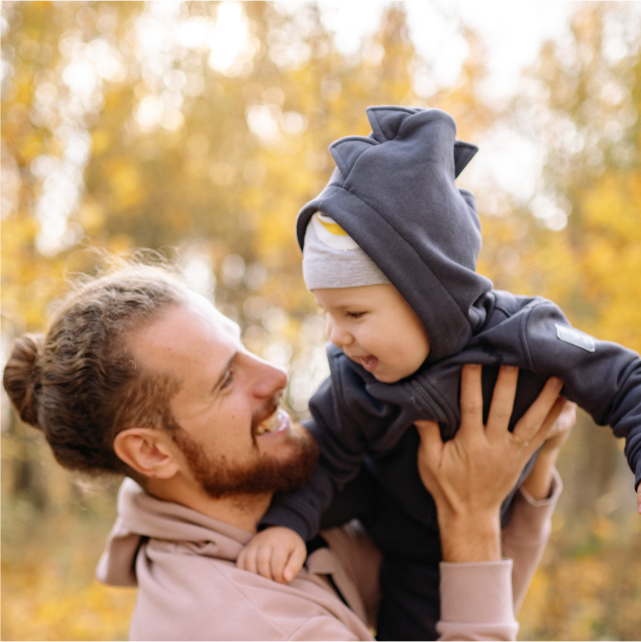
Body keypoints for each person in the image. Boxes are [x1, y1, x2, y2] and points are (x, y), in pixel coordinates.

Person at [2, 263, 572, 641]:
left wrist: (526, 468)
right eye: (226, 379)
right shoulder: (250, 624)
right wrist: (471, 519)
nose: (275, 375)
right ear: (151, 453)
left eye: (243, 347)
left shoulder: (273, 506)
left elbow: (451, 590)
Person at [241, 105, 641, 641]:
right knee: (274, 484)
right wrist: (285, 525)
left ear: (428, 295)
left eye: (354, 314)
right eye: (327, 314)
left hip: (431, 560)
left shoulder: (523, 334)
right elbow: (328, 451)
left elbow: (623, 380)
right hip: (380, 506)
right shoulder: (354, 379)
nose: (336, 337)